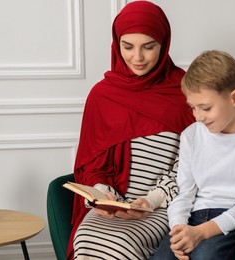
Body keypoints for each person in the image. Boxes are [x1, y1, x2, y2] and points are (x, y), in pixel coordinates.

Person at [67, 1, 195, 259]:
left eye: (149, 47)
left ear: (164, 43)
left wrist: (152, 200)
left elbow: (192, 164)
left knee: (123, 244)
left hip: (163, 205)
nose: (137, 57)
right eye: (128, 47)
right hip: (115, 204)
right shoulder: (102, 96)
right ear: (116, 44)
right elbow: (90, 164)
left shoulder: (185, 92)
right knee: (86, 238)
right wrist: (102, 194)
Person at [154, 50, 235, 260]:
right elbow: (184, 193)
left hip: (232, 221)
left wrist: (201, 232)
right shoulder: (191, 136)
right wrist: (179, 229)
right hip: (194, 216)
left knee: (205, 256)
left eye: (205, 108)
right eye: (193, 108)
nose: (198, 117)